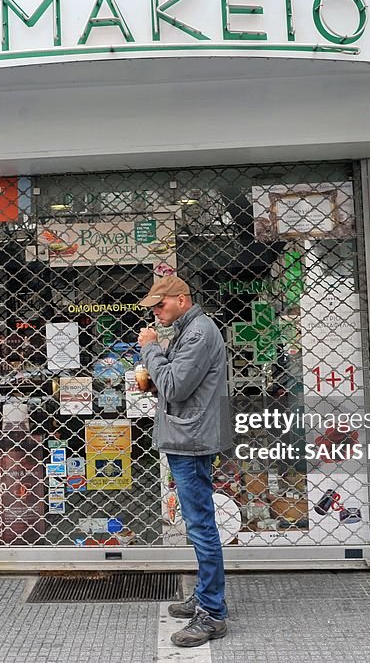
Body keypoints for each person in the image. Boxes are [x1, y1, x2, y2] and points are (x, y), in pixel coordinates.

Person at [137, 276, 233, 648]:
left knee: (201, 526)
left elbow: (176, 386)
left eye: (160, 305)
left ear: (181, 298)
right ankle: (206, 598)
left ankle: (212, 612)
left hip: (191, 440)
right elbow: (177, 384)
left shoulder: (197, 333)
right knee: (198, 525)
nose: (156, 312)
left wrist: (150, 350)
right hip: (187, 434)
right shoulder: (189, 329)